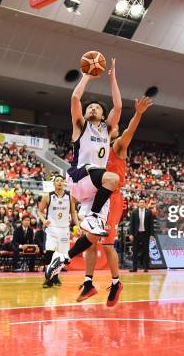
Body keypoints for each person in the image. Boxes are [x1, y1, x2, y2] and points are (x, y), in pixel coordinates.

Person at [45, 59, 123, 280]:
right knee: (113, 178)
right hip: (80, 177)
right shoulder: (81, 126)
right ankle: (95, 216)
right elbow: (75, 98)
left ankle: (63, 259)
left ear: (102, 114)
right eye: (90, 107)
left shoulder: (107, 130)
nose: (92, 108)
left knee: (93, 236)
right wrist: (88, 74)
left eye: (97, 107)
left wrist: (112, 78)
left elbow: (118, 107)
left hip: (96, 188)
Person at [78, 97, 153, 306]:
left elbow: (130, 130)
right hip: (96, 196)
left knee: (108, 244)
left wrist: (138, 113)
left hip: (113, 197)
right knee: (89, 240)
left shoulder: (118, 145)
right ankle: (88, 282)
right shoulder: (94, 146)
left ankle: (116, 282)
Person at [38, 175, 78, 288]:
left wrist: (77, 225)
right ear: (54, 183)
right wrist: (44, 220)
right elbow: (40, 211)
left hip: (64, 229)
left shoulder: (70, 196)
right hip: (52, 229)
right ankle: (48, 279)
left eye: (61, 180)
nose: (59, 182)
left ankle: (55, 276)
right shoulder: (47, 196)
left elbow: (73, 212)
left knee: (62, 256)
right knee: (50, 252)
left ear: (64, 183)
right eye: (57, 181)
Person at [129, 198, 154, 273]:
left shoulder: (148, 212)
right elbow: (131, 224)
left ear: (145, 204)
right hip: (136, 234)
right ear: (138, 203)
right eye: (140, 202)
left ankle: (146, 268)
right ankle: (134, 268)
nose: (142, 203)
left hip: (145, 234)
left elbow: (151, 224)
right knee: (135, 251)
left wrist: (151, 234)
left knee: (146, 251)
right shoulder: (134, 212)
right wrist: (131, 234)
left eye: (143, 202)